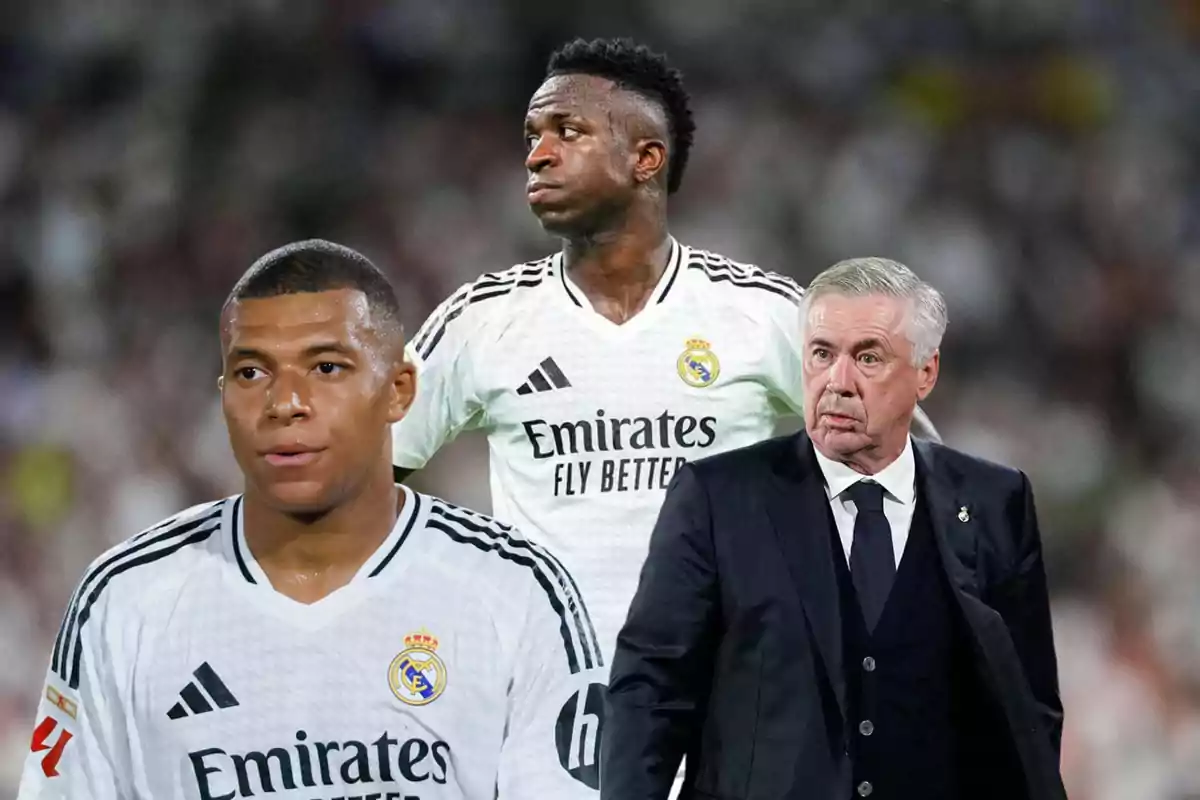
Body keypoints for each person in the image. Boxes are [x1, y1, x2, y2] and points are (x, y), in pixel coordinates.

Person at [391, 37, 939, 665]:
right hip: (548, 713)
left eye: (567, 132)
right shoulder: (480, 319)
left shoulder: (762, 313)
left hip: (729, 707)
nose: (538, 156)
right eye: (531, 137)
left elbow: (910, 455)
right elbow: (361, 473)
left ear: (645, 158)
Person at [18, 240, 605, 800]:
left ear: (399, 390)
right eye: (252, 373)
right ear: (222, 396)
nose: (285, 403)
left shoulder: (515, 591)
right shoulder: (125, 602)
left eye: (326, 368)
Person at [602, 257, 1065, 800]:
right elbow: (650, 693)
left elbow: (1027, 708)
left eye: (868, 357)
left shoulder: (995, 501)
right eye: (822, 354)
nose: (837, 382)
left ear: (926, 373)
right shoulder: (718, 498)